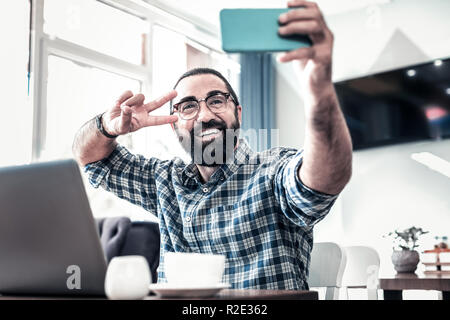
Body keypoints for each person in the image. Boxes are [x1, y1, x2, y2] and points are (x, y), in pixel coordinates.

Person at [72, 0, 352, 290]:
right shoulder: (165, 181)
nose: (205, 115)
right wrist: (106, 126)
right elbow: (91, 159)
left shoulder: (273, 170)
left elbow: (322, 181)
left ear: (238, 112)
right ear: (174, 122)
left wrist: (319, 90)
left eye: (217, 101)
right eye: (189, 106)